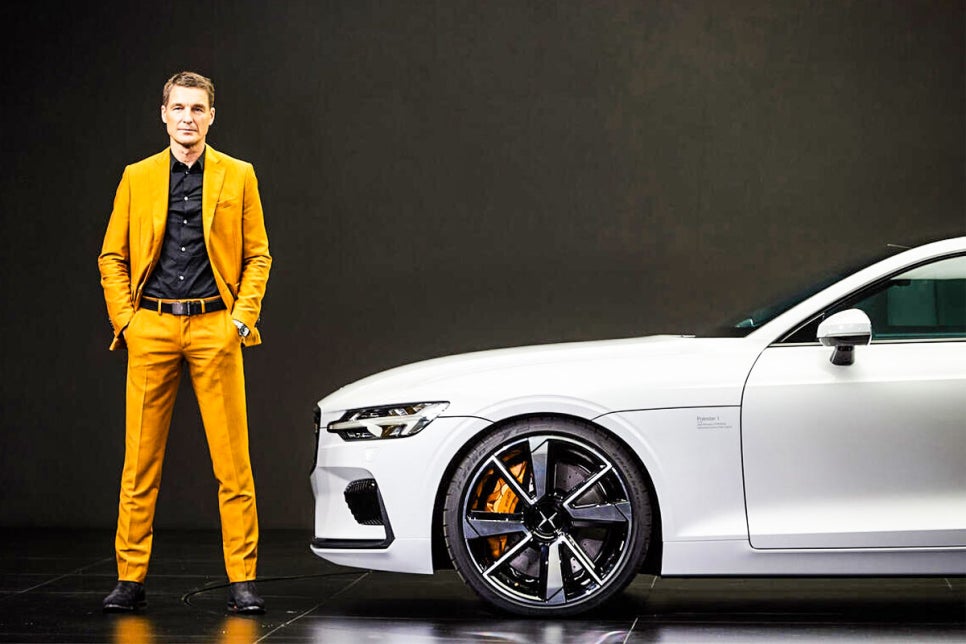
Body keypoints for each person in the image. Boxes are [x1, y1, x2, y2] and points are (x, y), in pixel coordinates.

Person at [98, 71, 271, 614]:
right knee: (139, 463)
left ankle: (243, 580)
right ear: (164, 114)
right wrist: (127, 321)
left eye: (197, 108)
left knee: (233, 465)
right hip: (151, 327)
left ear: (211, 116)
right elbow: (112, 256)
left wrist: (240, 320)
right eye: (179, 108)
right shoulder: (138, 176)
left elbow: (258, 255)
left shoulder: (238, 174)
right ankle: (129, 578)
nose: (188, 117)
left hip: (214, 326)